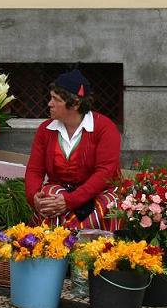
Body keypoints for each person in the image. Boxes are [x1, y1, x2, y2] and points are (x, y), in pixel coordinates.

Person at [25, 70, 122, 232]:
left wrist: (70, 200)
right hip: (60, 191)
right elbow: (35, 170)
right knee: (49, 197)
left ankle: (77, 240)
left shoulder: (105, 128)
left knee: (107, 205)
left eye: (56, 99)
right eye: (51, 98)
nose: (49, 104)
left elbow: (104, 174)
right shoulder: (45, 130)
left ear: (75, 104)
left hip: (98, 192)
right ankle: (50, 242)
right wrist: (34, 196)